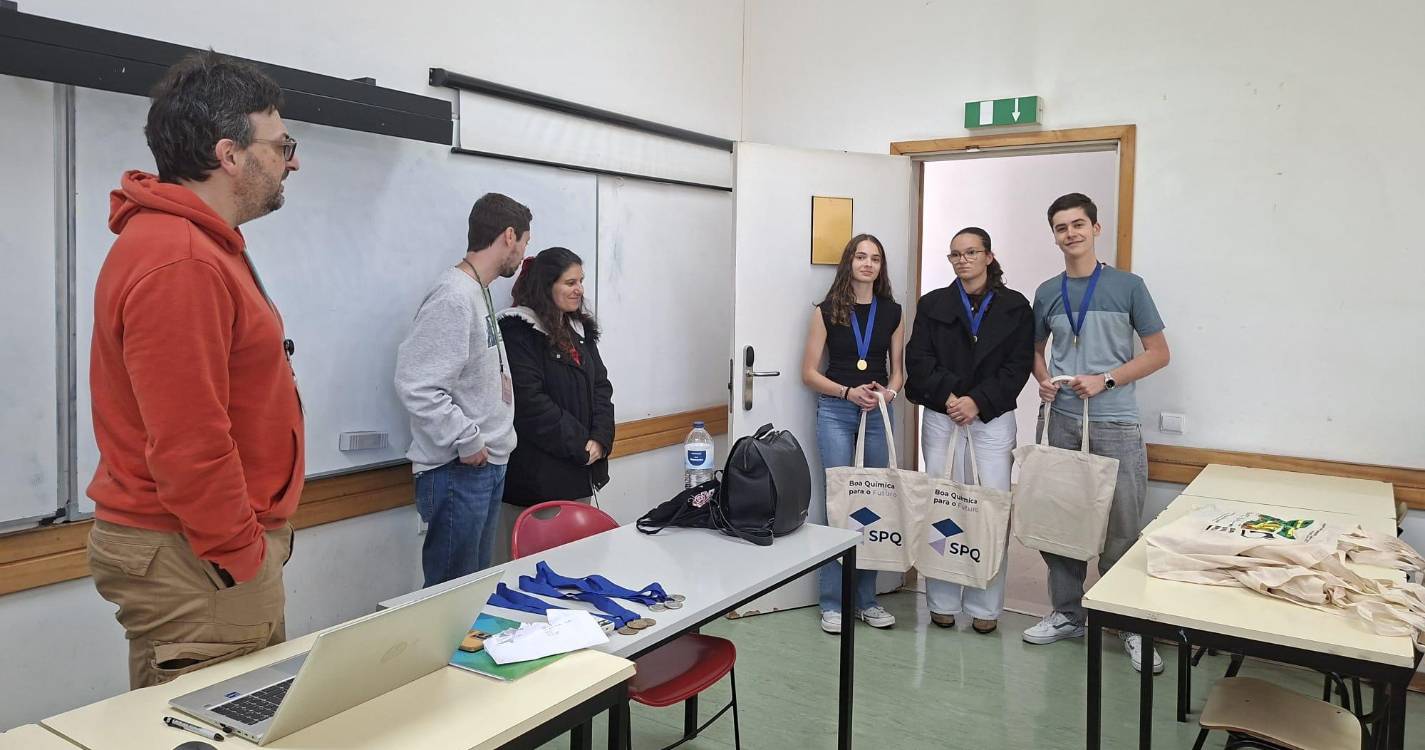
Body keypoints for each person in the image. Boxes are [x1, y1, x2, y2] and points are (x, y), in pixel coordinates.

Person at [86, 51, 303, 689]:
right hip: (199, 557)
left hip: (204, 551)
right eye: (281, 143)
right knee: (214, 725)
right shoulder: (181, 258)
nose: (293, 160)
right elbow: (189, 442)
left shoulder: (197, 246)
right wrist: (240, 556)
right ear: (229, 154)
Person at [1020, 193, 1171, 674]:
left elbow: (1158, 353)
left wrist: (1106, 379)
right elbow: (1035, 350)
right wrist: (1042, 379)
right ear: (1055, 235)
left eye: (1078, 224)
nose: (1071, 234)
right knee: (1060, 520)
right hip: (1061, 420)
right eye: (1062, 227)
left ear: (1096, 229)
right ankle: (1068, 614)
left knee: (1122, 526)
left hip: (1116, 421)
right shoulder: (1046, 291)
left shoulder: (1129, 286)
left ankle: (1129, 624)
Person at [395, 193, 530, 587]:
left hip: (484, 464)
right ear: (509, 235)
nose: (523, 253)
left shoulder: (478, 291)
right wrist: (468, 440)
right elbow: (417, 386)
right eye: (523, 242)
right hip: (460, 469)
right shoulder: (454, 296)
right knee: (449, 602)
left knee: (469, 598)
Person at [905, 227, 1033, 634]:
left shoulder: (1016, 306)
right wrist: (950, 397)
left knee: (989, 510)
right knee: (941, 503)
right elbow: (919, 358)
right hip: (943, 416)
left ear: (989, 257)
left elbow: (1018, 367)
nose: (963, 260)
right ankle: (941, 600)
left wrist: (977, 400)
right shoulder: (933, 304)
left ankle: (984, 607)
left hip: (991, 418)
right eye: (955, 254)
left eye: (971, 252)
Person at [801, 233, 905, 634]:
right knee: (839, 507)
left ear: (881, 267)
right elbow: (808, 372)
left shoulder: (893, 312)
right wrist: (847, 391)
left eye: (875, 258)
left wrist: (889, 391)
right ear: (849, 263)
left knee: (872, 507)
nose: (867, 264)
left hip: (877, 412)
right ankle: (832, 602)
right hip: (837, 410)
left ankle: (866, 600)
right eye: (860, 257)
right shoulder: (827, 311)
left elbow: (897, 369)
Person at [493, 247, 615, 562]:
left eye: (581, 281)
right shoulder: (519, 330)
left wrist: (600, 440)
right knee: (538, 578)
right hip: (538, 479)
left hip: (580, 470)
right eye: (570, 282)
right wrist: (581, 446)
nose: (579, 290)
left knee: (579, 570)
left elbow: (600, 386)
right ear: (547, 286)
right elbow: (530, 404)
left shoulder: (580, 330)